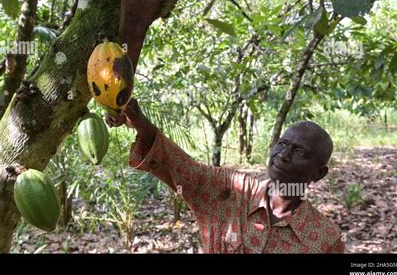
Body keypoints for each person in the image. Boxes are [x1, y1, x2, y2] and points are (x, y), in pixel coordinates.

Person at [106, 98, 344, 253]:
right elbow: (180, 167)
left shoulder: (325, 240)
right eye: (282, 144)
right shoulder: (228, 190)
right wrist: (138, 121)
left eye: (299, 151)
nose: (283, 155)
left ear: (319, 173)